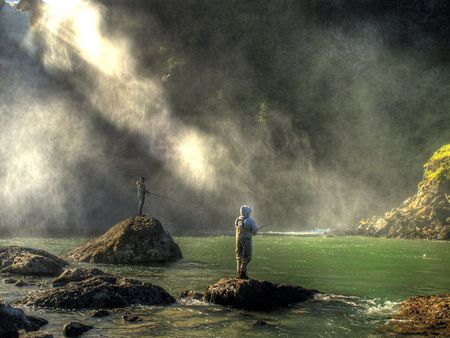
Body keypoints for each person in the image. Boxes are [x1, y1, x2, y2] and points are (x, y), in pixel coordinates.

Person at [235, 205, 258, 279]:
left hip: (238, 239)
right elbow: (254, 232)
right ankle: (243, 273)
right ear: (248, 212)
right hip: (246, 240)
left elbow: (238, 229)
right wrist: (255, 232)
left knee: (239, 256)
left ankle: (238, 272)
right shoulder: (250, 221)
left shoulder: (237, 220)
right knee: (247, 257)